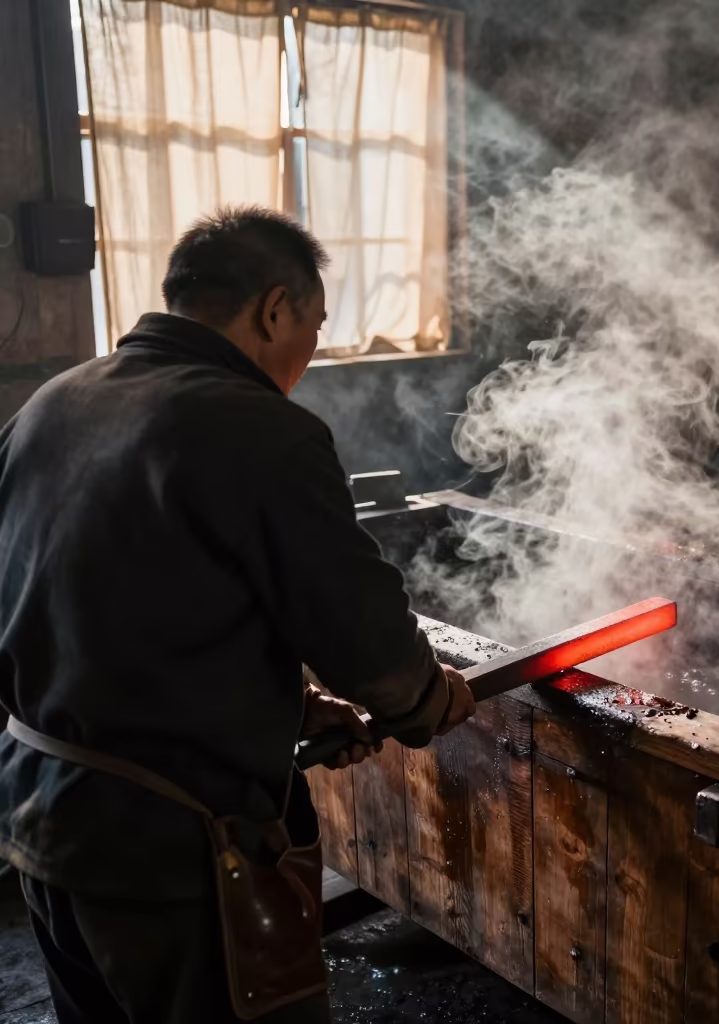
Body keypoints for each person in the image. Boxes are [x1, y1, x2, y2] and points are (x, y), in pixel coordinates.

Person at [0, 206, 475, 1022]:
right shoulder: (263, 430)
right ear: (275, 309)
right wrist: (428, 700)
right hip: (171, 853)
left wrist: (292, 702)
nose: (310, 353)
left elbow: (122, 604)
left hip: (40, 819)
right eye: (315, 327)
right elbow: (367, 642)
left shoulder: (49, 404)